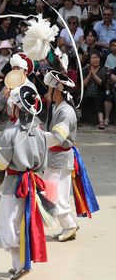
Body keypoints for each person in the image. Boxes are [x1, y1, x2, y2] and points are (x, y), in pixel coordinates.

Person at [0, 83, 48, 280]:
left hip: (14, 183)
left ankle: (21, 263)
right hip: (32, 182)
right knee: (24, 221)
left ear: (16, 107)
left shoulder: (10, 133)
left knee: (9, 224)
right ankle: (20, 264)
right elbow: (43, 163)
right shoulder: (39, 131)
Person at [43, 71, 99, 244]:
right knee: (57, 195)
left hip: (59, 157)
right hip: (57, 157)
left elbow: (57, 137)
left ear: (57, 91)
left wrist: (37, 136)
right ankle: (68, 225)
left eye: (50, 89)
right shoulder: (56, 108)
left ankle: (69, 225)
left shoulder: (66, 112)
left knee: (50, 194)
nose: (47, 92)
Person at [81, 51, 108, 128]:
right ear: (89, 60)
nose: (96, 60)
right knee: (82, 99)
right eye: (94, 58)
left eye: (97, 58)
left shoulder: (103, 69)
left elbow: (102, 84)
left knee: (97, 99)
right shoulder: (85, 69)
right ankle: (79, 119)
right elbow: (84, 84)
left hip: (100, 91)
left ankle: (101, 122)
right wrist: (90, 74)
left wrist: (94, 75)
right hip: (87, 92)